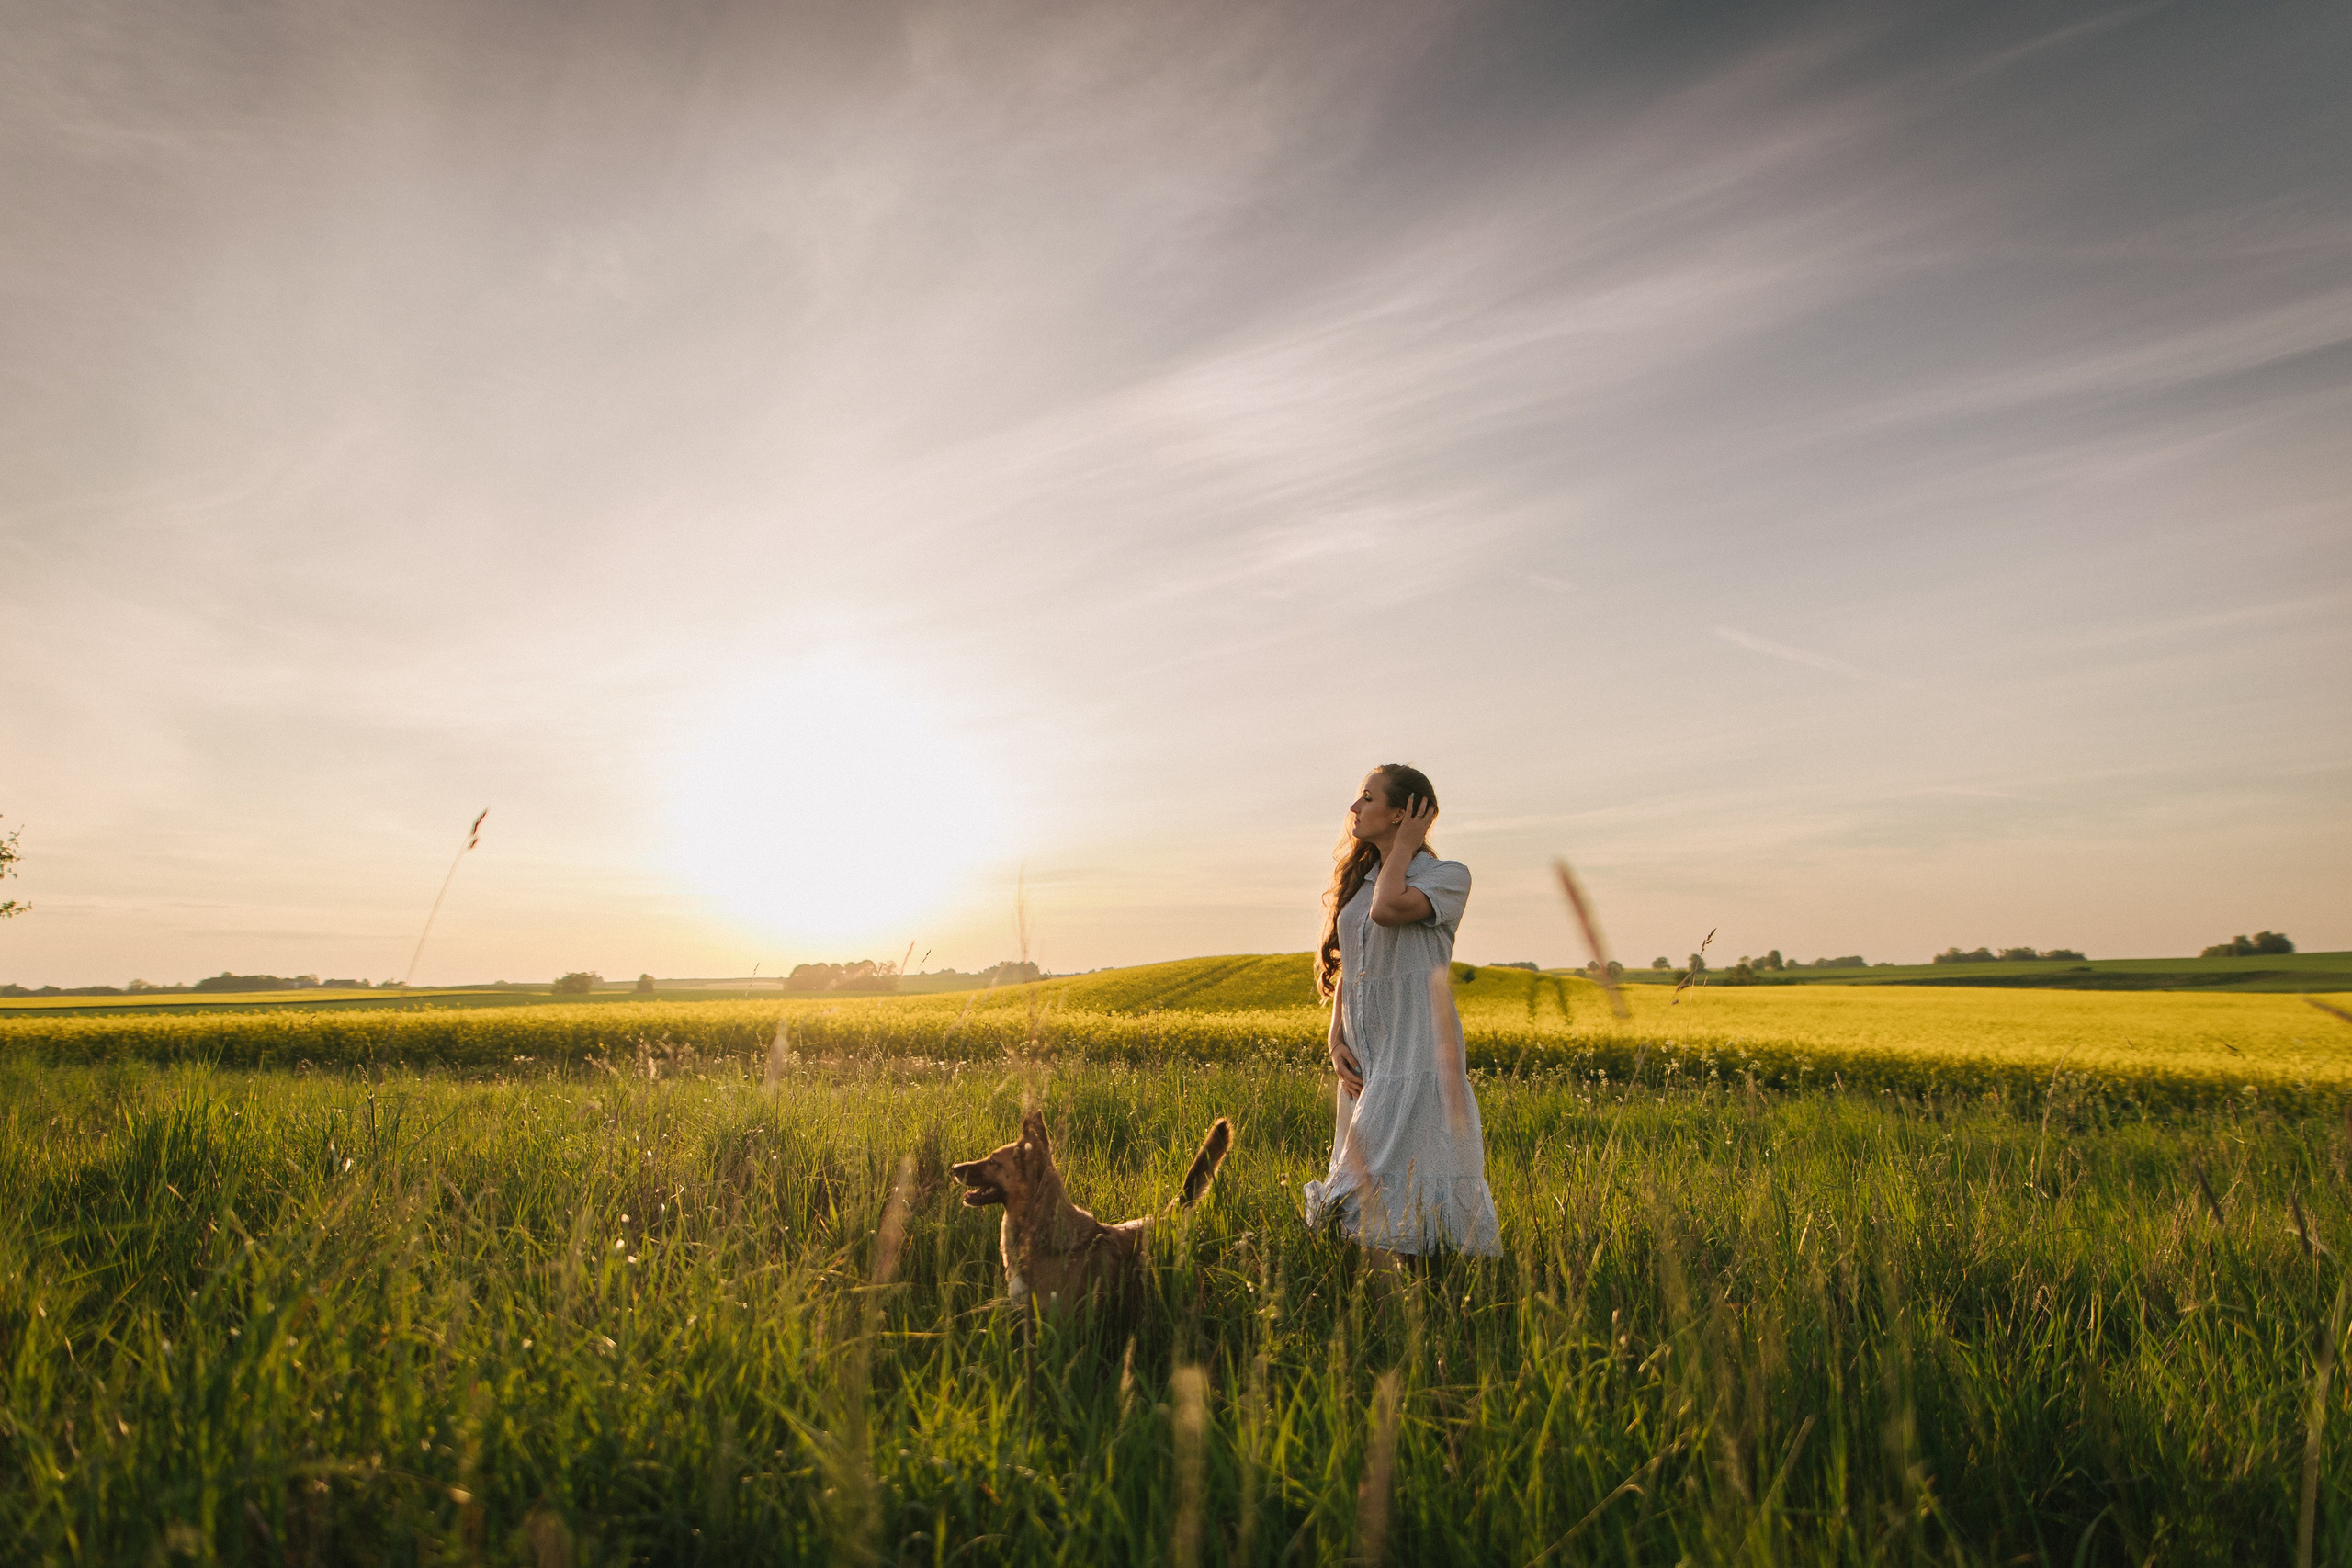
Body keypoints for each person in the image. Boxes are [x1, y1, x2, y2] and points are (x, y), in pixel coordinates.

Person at [1302, 764, 1501, 1258]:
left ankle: (1427, 1304)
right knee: (1369, 1185)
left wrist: (1408, 846)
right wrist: (1335, 1037)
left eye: (1367, 798)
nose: (1354, 808)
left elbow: (1387, 910)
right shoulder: (1364, 879)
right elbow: (1352, 964)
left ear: (1401, 813)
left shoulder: (1446, 876)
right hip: (1369, 1058)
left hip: (1417, 1052)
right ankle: (1382, 1307)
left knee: (1402, 1181)